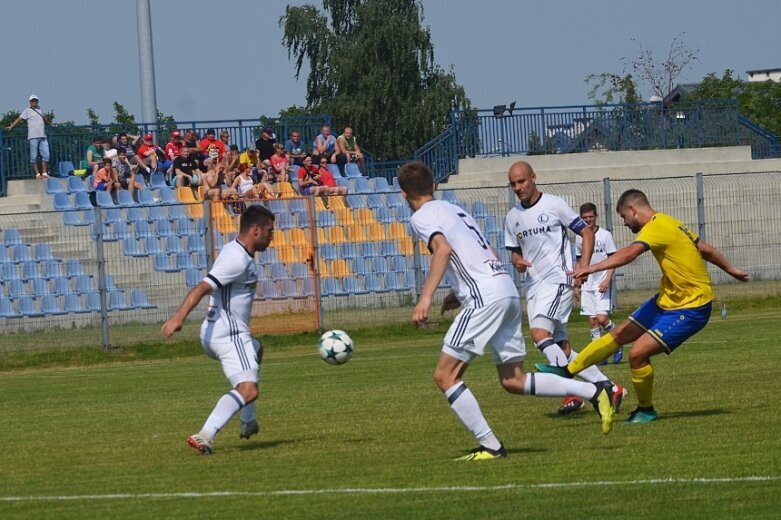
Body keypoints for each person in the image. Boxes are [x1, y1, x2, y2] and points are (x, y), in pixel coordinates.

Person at [398, 161, 618, 461]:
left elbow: (444, 250)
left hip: (486, 298)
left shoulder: (422, 216)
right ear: (434, 186)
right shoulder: (454, 210)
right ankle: (594, 391)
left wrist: (424, 299)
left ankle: (491, 446)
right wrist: (456, 292)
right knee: (513, 380)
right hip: (505, 290)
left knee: (445, 376)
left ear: (403, 194)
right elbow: (476, 252)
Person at [536, 189, 749, 426]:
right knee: (619, 334)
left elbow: (630, 253)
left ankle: (646, 410)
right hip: (667, 300)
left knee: (637, 353)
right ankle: (566, 372)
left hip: (692, 307)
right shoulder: (671, 222)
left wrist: (591, 268)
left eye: (624, 218)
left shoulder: (656, 227)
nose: (625, 224)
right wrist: (731, 269)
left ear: (633, 211)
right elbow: (704, 248)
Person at [503, 161, 625, 417]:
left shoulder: (554, 205)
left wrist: (583, 266)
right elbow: (513, 253)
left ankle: (576, 391)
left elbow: (586, 233)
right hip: (534, 287)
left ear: (533, 178)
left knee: (539, 334)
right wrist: (518, 262)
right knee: (562, 347)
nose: (518, 187)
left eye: (522, 181)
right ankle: (610, 388)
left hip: (558, 280)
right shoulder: (513, 217)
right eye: (513, 184)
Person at [162, 205, 276, 455]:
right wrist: (178, 318)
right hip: (229, 335)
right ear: (255, 230)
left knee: (256, 350)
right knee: (248, 389)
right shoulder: (237, 259)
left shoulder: (235, 250)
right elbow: (204, 286)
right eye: (269, 231)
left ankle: (248, 421)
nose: (272, 236)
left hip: (212, 333)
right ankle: (205, 434)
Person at [575, 202, 621, 365]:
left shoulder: (605, 235)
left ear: (596, 217)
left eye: (591, 217)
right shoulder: (579, 236)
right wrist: (577, 285)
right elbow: (579, 261)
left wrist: (608, 278)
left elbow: (613, 259)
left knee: (602, 319)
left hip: (601, 281)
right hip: (587, 283)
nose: (588, 220)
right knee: (592, 321)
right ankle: (600, 355)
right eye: (585, 218)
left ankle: (618, 342)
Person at [6, 94, 54, 179]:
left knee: (46, 155)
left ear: (37, 101)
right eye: (32, 101)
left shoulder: (40, 109)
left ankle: (44, 173)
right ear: (30, 102)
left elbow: (44, 118)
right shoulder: (27, 110)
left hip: (43, 136)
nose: (34, 102)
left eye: (35, 100)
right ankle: (37, 174)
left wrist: (51, 125)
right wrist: (12, 126)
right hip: (33, 137)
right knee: (33, 156)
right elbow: (19, 119)